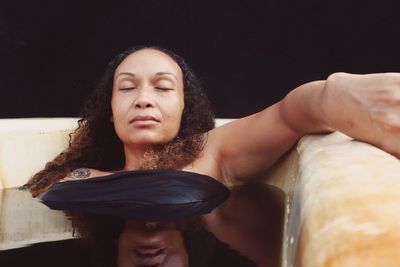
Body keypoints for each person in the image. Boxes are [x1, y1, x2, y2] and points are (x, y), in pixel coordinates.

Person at [24, 45, 400, 266]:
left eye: (162, 87)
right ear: (110, 110)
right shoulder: (76, 178)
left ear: (183, 106)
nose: (143, 98)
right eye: (127, 88)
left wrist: (338, 94)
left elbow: (292, 112)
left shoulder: (211, 153)